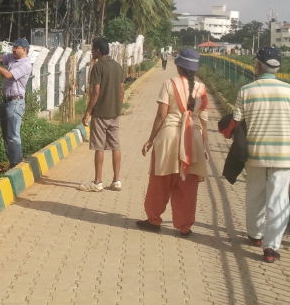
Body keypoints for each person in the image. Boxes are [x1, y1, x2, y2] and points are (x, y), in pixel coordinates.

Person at [233, 47, 290, 263]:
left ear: (258, 65)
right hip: (284, 154)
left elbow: (236, 123)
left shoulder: (246, 91)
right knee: (278, 199)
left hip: (255, 152)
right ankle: (271, 248)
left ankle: (255, 235)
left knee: (255, 194)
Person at [137, 48, 209, 236]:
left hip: (168, 137)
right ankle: (185, 226)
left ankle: (153, 220)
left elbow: (161, 115)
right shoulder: (201, 89)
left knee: (160, 181)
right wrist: (205, 145)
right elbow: (204, 121)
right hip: (193, 139)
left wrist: (150, 139)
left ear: (178, 66)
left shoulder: (169, 84)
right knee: (188, 185)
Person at [80, 37, 125, 192]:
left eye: (93, 49)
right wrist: (117, 107)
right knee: (115, 146)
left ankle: (98, 182)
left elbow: (96, 92)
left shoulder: (98, 67)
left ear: (98, 50)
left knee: (99, 147)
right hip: (114, 113)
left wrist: (88, 112)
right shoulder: (118, 66)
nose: (91, 52)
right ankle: (116, 180)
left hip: (100, 114)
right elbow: (121, 90)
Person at [0, 38, 33, 168]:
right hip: (6, 101)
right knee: (6, 135)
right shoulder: (11, 57)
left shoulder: (26, 64)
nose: (13, 49)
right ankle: (12, 162)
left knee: (13, 135)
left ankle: (16, 164)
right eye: (13, 47)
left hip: (15, 102)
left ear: (24, 50)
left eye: (16, 47)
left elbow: (9, 75)